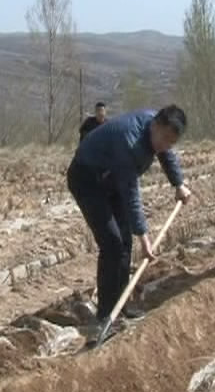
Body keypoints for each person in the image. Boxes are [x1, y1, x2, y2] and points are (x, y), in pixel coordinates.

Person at [67, 105, 191, 333]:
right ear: (155, 125)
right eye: (163, 138)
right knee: (112, 243)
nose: (164, 146)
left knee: (125, 242)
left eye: (170, 142)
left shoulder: (157, 131)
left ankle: (121, 302)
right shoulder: (130, 141)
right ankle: (105, 314)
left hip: (110, 178)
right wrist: (145, 238)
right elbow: (131, 194)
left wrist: (178, 183)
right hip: (87, 179)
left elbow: (166, 155)